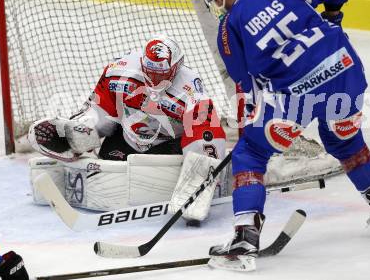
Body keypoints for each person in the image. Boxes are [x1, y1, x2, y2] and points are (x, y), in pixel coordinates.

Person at [201, 0, 370, 270]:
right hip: (344, 71)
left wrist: (250, 125)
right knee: (346, 143)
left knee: (250, 155)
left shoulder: (228, 29)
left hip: (294, 94)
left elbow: (246, 82)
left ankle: (244, 237)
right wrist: (334, 15)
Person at [28, 35, 227, 221]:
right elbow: (101, 108)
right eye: (151, 72)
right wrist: (84, 127)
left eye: (161, 74)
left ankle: (194, 179)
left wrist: (201, 171)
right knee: (106, 158)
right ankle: (75, 141)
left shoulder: (191, 90)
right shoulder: (118, 71)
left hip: (169, 146)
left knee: (199, 154)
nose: (155, 80)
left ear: (176, 67)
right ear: (142, 63)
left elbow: (206, 132)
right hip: (128, 139)